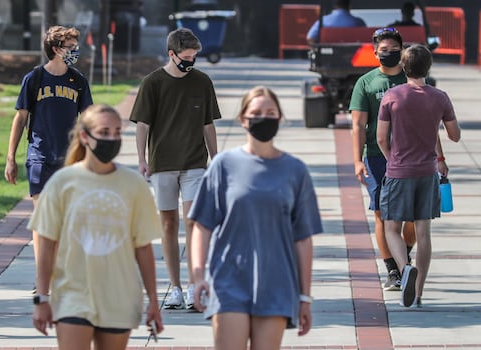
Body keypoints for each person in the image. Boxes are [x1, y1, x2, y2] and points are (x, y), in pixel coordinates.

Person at [189, 86, 322, 350]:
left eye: (270, 112)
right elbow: (202, 226)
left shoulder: (295, 171)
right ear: (242, 119)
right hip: (228, 281)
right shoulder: (223, 165)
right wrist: (198, 276)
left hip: (276, 283)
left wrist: (305, 296)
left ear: (281, 118)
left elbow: (303, 239)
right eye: (256, 112)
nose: (264, 117)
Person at [29, 104, 164, 350]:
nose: (111, 139)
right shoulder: (63, 182)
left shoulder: (134, 184)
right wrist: (42, 298)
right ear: (85, 136)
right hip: (72, 296)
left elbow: (143, 247)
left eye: (116, 132)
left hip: (119, 297)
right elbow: (46, 243)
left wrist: (154, 301)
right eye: (103, 132)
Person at [129, 28, 220, 310]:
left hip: (194, 162)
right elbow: (142, 124)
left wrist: (216, 158)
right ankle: (176, 287)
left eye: (194, 56)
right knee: (168, 224)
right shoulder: (152, 83)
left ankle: (195, 285)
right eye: (186, 57)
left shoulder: (202, 82)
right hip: (162, 163)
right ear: (172, 54)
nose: (191, 61)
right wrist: (142, 160)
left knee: (193, 221)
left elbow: (208, 124)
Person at [349, 28, 437, 291]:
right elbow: (357, 125)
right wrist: (357, 160)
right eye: (383, 50)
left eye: (393, 50)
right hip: (377, 158)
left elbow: (432, 122)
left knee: (411, 218)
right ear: (375, 53)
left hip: (413, 157)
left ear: (403, 51)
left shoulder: (414, 79)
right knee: (381, 214)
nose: (388, 54)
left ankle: (404, 260)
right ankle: (394, 271)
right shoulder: (365, 83)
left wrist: (439, 156)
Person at [4, 25, 93, 282]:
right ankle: (43, 277)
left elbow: (88, 119)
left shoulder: (78, 80)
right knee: (43, 219)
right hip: (39, 156)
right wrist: (10, 158)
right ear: (56, 49)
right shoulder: (34, 79)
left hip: (69, 159)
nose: (75, 51)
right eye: (71, 47)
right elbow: (20, 119)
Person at [377, 44, 460, 308]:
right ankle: (419, 292)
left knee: (392, 228)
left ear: (403, 67)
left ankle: (404, 270)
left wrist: (392, 160)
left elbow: (380, 137)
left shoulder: (392, 96)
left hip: (398, 171)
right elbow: (454, 135)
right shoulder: (440, 97)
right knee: (423, 232)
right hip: (427, 172)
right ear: (429, 67)